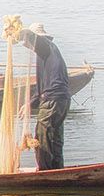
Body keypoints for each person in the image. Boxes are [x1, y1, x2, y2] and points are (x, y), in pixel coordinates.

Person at [19, 23, 71, 171]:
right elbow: (41, 88)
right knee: (55, 138)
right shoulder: (46, 55)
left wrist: (20, 32)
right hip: (62, 100)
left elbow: (37, 39)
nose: (28, 46)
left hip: (53, 100)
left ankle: (45, 171)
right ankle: (57, 170)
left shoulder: (45, 46)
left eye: (28, 42)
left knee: (42, 137)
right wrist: (30, 103)